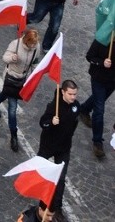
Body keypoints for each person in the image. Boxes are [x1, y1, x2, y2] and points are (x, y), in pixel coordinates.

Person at [0, 27, 41, 152]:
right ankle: (14, 135)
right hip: (11, 77)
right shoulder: (15, 44)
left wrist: (35, 72)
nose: (33, 46)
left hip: (22, 80)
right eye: (31, 43)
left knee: (5, 94)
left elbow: (35, 62)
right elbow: (5, 57)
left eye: (34, 44)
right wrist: (12, 58)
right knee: (12, 108)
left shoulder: (36, 47)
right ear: (26, 40)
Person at [37, 79, 80, 217]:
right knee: (40, 173)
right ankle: (41, 202)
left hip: (63, 148)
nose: (73, 97)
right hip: (48, 145)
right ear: (63, 92)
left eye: (75, 94)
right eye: (70, 94)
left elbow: (74, 124)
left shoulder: (76, 106)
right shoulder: (53, 106)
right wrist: (51, 122)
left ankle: (57, 207)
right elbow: (42, 123)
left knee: (61, 179)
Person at [77, 30, 115, 160]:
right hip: (99, 78)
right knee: (99, 109)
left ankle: (84, 109)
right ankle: (97, 142)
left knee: (99, 99)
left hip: (112, 81)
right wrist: (102, 62)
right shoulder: (101, 40)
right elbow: (89, 56)